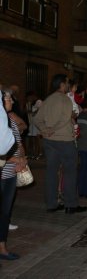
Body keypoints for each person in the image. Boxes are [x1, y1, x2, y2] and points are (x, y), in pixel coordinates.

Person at [34, 74, 87, 214]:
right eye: (67, 83)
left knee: (51, 172)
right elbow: (65, 119)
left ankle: (51, 204)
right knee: (70, 172)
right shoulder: (66, 99)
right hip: (65, 140)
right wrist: (54, 129)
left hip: (49, 141)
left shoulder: (48, 99)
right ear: (62, 84)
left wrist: (45, 130)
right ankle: (71, 204)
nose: (68, 86)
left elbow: (37, 119)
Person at [1, 90, 27, 260]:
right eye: (7, 99)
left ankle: (2, 246)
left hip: (11, 174)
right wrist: (14, 161)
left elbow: (18, 142)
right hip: (3, 172)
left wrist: (23, 157)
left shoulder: (11, 119)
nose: (11, 101)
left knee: (5, 211)